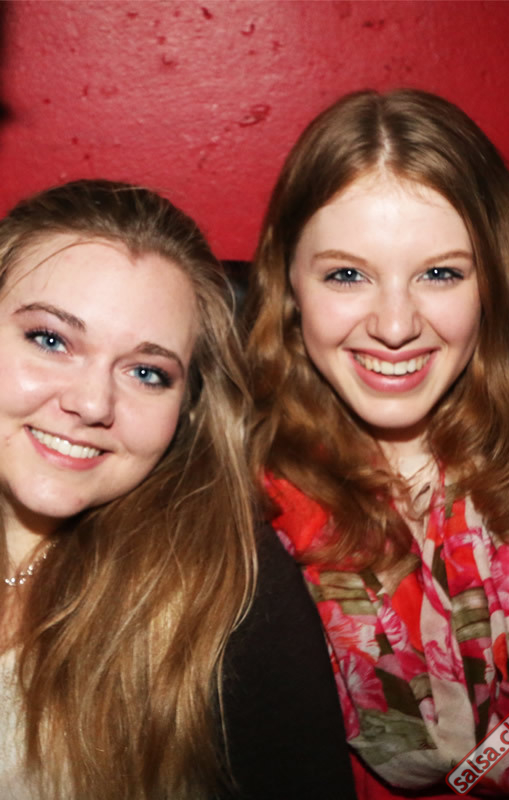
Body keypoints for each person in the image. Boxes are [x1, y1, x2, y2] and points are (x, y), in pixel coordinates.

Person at [0, 179, 356, 800]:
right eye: (51, 340)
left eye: (146, 372)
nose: (92, 404)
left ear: (188, 407)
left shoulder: (233, 593)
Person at [246, 88, 509, 798]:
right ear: (289, 282)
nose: (395, 326)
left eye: (440, 273)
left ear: (493, 278)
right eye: (347, 274)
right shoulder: (234, 512)